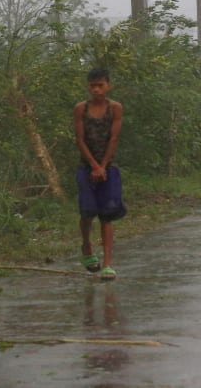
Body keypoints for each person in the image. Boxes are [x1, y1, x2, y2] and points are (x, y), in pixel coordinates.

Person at [73, 67, 125, 280]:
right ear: (88, 86)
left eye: (100, 85)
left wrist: (103, 166)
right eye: (92, 86)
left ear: (108, 85)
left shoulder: (115, 109)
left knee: (107, 215)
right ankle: (86, 246)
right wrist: (94, 166)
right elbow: (80, 139)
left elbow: (113, 139)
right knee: (87, 212)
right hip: (86, 167)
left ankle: (107, 264)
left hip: (108, 168)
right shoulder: (80, 109)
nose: (96, 89)